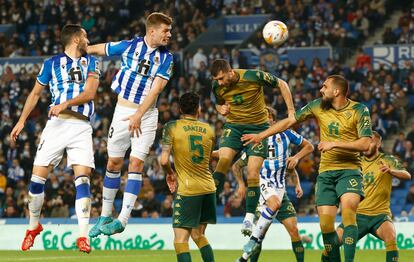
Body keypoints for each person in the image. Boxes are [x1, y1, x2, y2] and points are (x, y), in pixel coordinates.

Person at [243, 75, 372, 262]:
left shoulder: (359, 110)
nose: (321, 89)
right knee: (326, 226)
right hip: (326, 173)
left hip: (349, 168)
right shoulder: (317, 105)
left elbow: (365, 143)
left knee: (349, 210)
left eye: (325, 86)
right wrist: (261, 135)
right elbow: (289, 121)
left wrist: (335, 143)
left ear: (336, 91)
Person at [10, 24, 100, 253]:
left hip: (81, 125)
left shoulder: (91, 62)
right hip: (56, 126)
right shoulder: (51, 63)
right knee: (36, 182)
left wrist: (66, 104)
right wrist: (21, 121)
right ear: (76, 39)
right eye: (86, 36)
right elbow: (35, 93)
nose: (88, 40)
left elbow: (90, 93)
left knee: (83, 178)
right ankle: (33, 227)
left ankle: (83, 236)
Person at [87, 12, 174, 236]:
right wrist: (80, 50)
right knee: (114, 163)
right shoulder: (130, 45)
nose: (169, 35)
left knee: (136, 164)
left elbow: (155, 90)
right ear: (152, 31)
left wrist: (138, 115)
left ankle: (122, 220)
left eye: (170, 31)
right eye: (165, 31)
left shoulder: (167, 58)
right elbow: (104, 48)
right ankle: (105, 216)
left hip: (146, 116)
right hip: (122, 112)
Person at [210, 59, 295, 236]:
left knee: (253, 172)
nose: (219, 82)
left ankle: (249, 218)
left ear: (230, 72)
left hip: (258, 127)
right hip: (234, 126)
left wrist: (291, 111)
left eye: (221, 78)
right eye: (216, 79)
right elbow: (217, 102)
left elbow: (282, 83)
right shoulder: (217, 87)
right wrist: (220, 109)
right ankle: (208, 203)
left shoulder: (253, 76)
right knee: (224, 159)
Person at [234, 107, 314, 261]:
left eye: (266, 117)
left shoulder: (286, 133)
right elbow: (237, 165)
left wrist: (296, 159)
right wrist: (241, 184)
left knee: (294, 231)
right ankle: (249, 250)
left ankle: (243, 258)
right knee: (260, 235)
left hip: (280, 189)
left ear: (273, 119)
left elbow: (308, 147)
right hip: (263, 186)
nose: (263, 120)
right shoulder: (256, 140)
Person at [321, 131, 411, 262]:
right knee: (331, 245)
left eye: (371, 141)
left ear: (378, 143)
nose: (366, 145)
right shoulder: (355, 162)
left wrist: (391, 171)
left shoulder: (387, 160)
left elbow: (407, 175)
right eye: (365, 142)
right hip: (357, 216)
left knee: (391, 237)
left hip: (380, 215)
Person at [160, 92, 216, 262]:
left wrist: (171, 174)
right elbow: (208, 156)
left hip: (188, 189)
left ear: (180, 109)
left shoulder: (172, 127)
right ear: (198, 109)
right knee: (199, 235)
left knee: (180, 240)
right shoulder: (209, 129)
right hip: (208, 187)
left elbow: (163, 161)